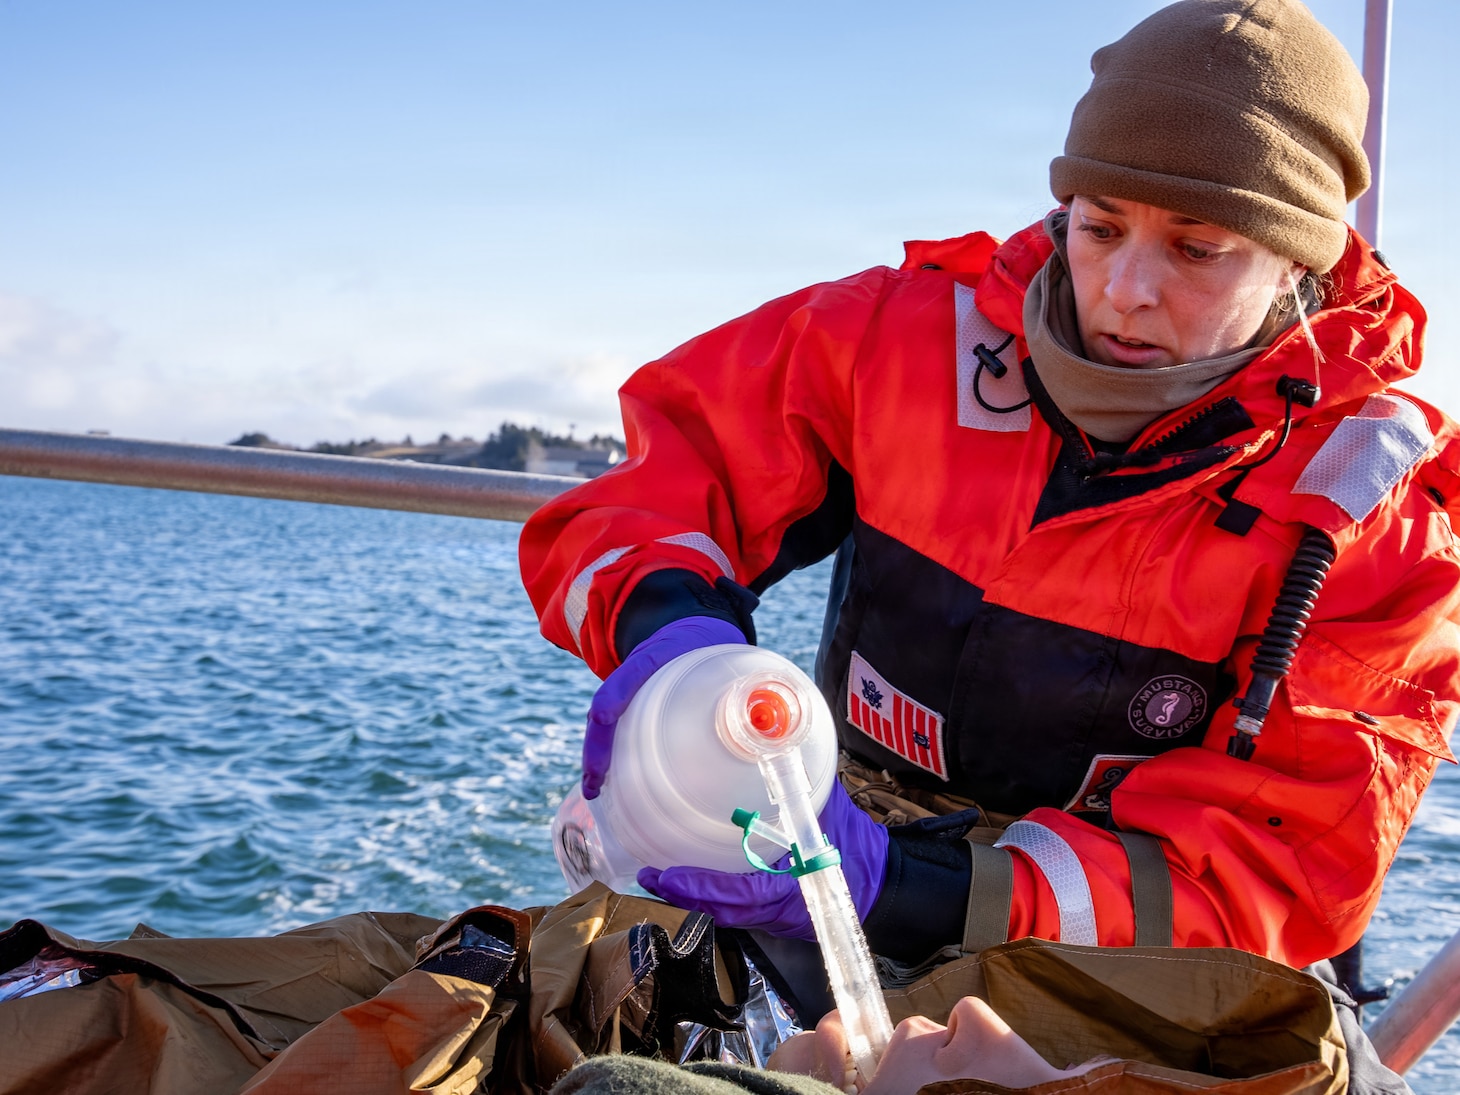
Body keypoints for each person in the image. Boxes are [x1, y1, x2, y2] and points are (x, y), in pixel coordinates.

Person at [519, 0, 1460, 973]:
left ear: (1293, 261)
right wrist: (672, 645)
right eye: (1098, 226)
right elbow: (662, 477)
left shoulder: (1374, 526)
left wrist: (903, 890)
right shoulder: (901, 340)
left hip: (1126, 959)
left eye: (1194, 248)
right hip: (840, 833)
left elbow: (1268, 874)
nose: (1124, 290)